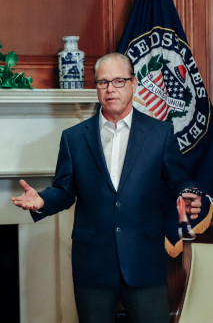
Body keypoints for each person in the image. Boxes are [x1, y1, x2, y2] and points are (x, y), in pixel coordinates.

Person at [11, 52, 202, 323]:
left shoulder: (160, 134)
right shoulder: (74, 138)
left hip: (144, 260)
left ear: (134, 84)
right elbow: (65, 191)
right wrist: (42, 200)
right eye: (103, 82)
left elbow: (179, 180)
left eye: (118, 81)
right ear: (96, 87)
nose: (110, 88)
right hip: (93, 264)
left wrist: (187, 194)